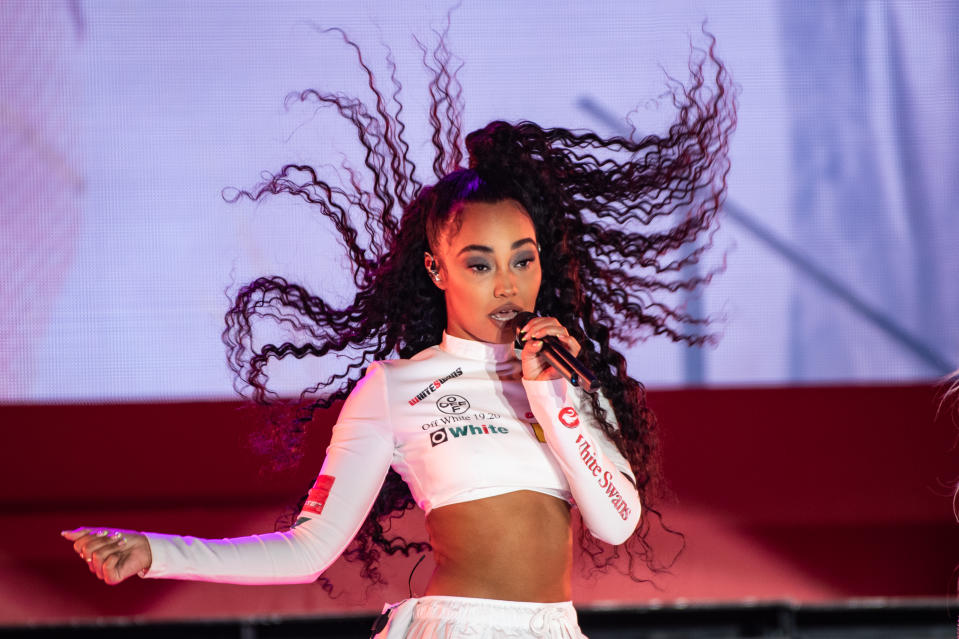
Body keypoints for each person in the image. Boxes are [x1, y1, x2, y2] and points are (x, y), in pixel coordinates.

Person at [62, 29, 736, 638]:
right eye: (480, 262)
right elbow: (309, 548)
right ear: (436, 269)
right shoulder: (394, 389)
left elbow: (616, 521)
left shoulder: (560, 373)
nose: (507, 282)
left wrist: (554, 399)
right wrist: (158, 552)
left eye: (522, 259)